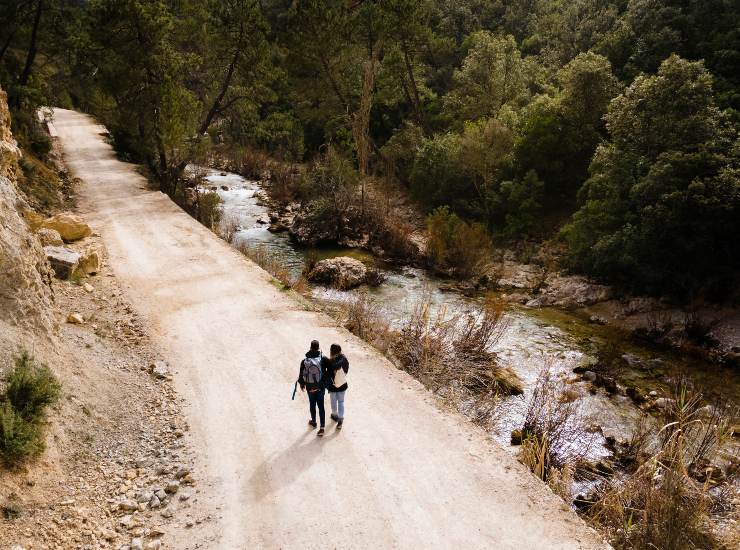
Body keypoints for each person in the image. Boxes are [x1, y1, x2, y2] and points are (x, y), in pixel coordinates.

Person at [298, 340, 330, 436]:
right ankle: (322, 428)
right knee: (321, 406)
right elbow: (331, 369)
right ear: (318, 347)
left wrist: (302, 384)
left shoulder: (304, 361)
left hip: (310, 386)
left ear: (310, 347)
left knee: (312, 404)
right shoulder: (323, 358)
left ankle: (314, 422)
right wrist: (324, 380)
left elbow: (301, 375)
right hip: (320, 386)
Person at [327, 343, 349, 430]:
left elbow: (328, 374)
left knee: (333, 401)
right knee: (341, 402)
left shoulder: (330, 361)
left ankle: (334, 415)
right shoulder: (344, 359)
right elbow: (346, 371)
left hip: (333, 385)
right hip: (342, 384)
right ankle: (340, 420)